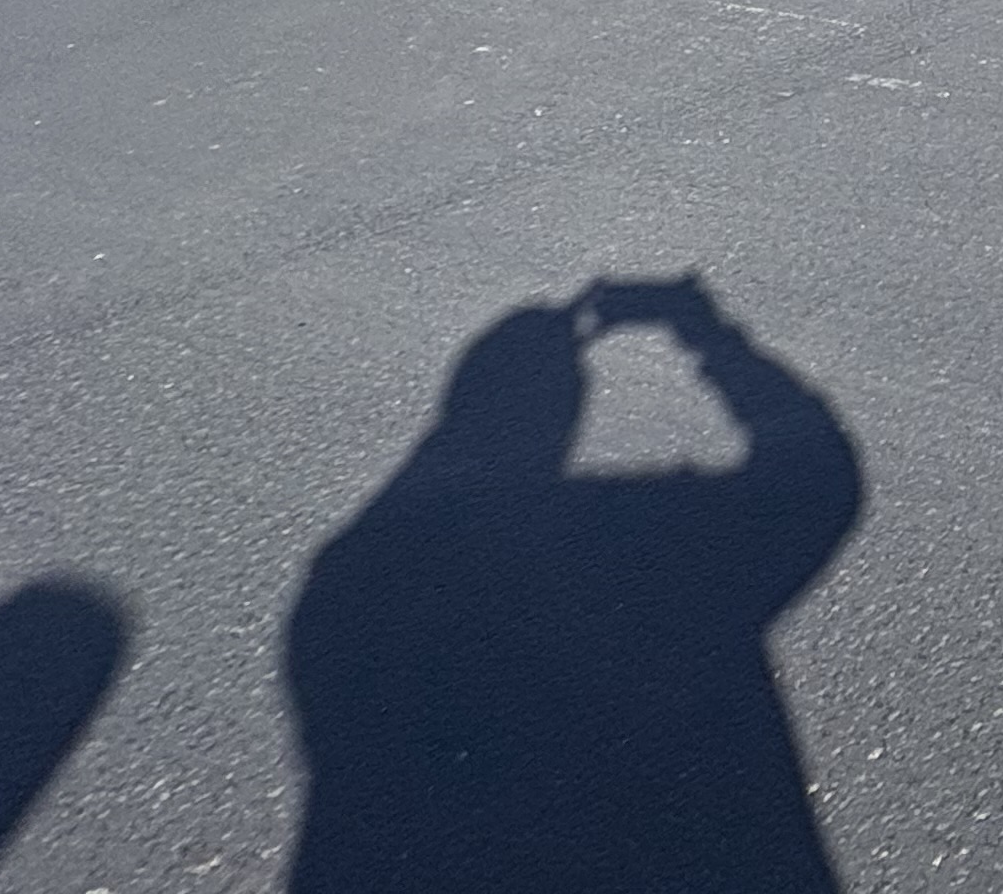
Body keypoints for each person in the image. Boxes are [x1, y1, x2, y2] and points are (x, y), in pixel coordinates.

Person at [283, 275, 862, 894]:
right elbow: (815, 479)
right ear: (573, 406)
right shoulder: (639, 538)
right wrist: (701, 331)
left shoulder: (355, 572)